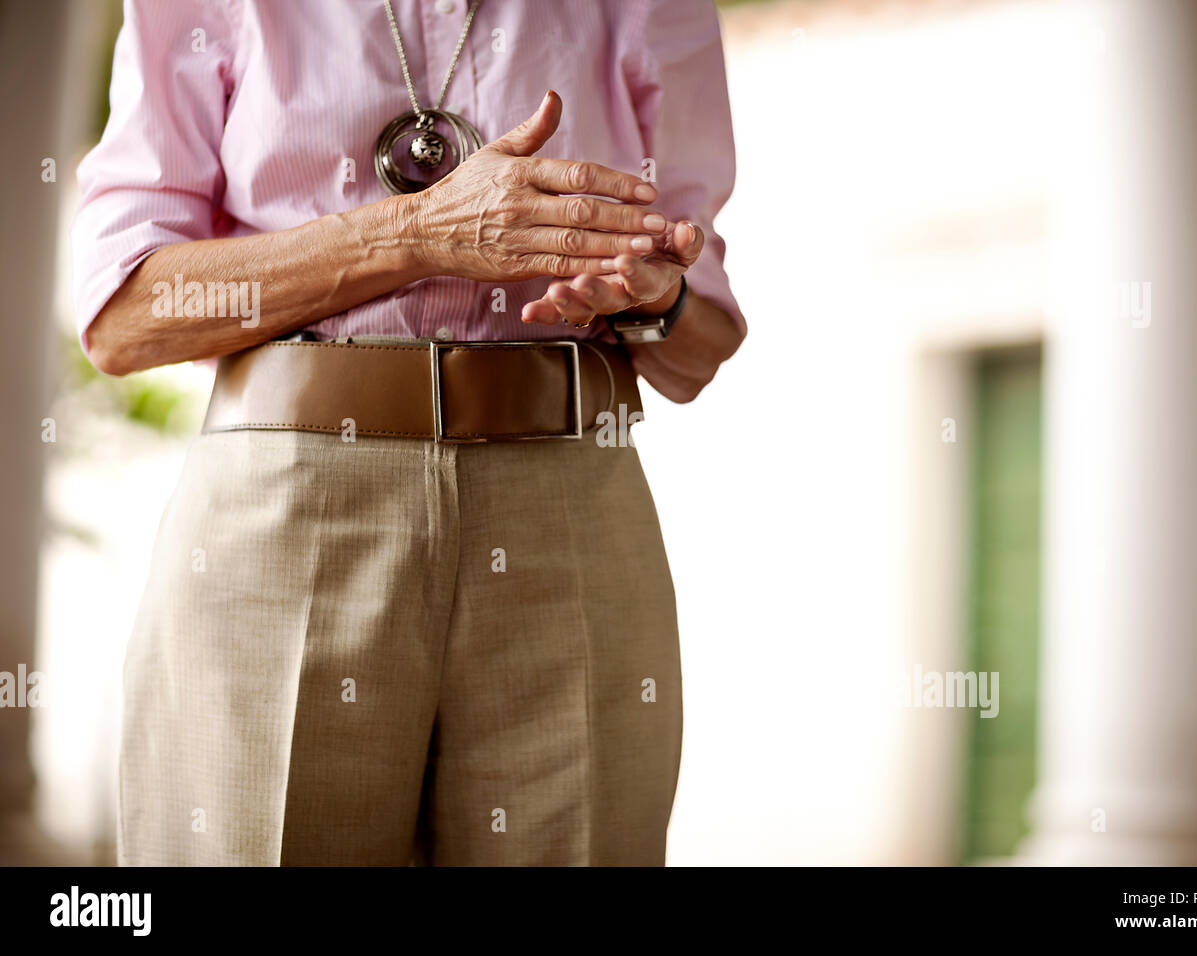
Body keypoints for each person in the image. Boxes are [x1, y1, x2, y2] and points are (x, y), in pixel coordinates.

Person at [73, 0, 744, 866]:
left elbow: (703, 343)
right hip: (290, 513)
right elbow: (126, 314)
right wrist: (420, 233)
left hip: (572, 507)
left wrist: (656, 298)